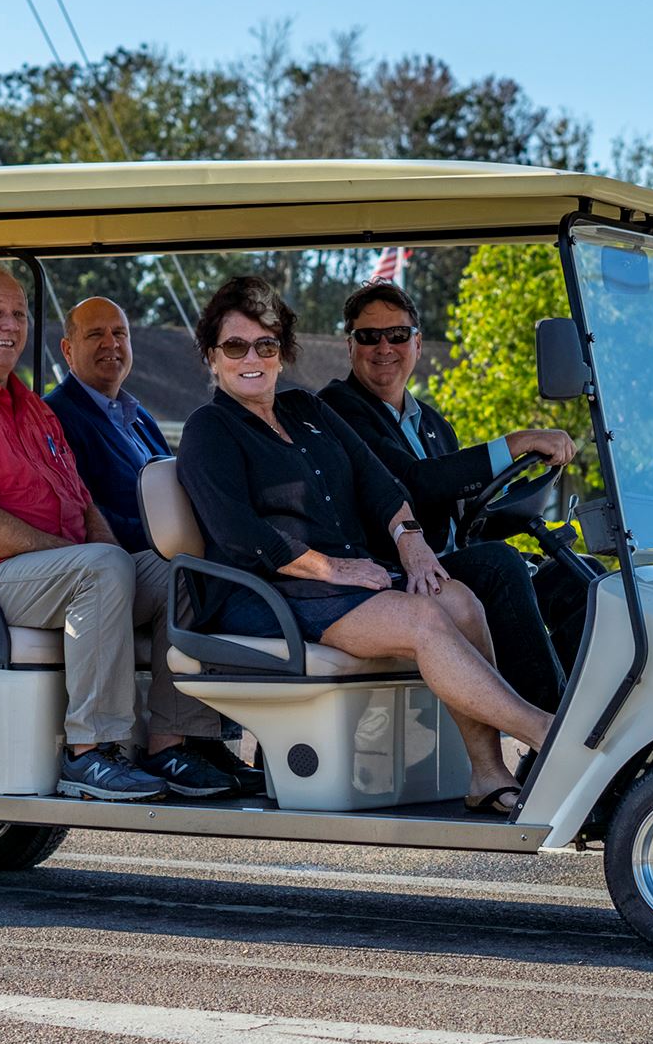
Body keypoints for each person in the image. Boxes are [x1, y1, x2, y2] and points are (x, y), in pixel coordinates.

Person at [175, 275, 554, 816]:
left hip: (343, 579)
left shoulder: (306, 409)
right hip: (271, 591)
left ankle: (488, 773)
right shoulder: (209, 429)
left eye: (266, 344)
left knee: (460, 601)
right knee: (424, 622)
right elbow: (240, 534)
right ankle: (550, 735)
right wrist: (332, 568)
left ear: (282, 353)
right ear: (212, 357)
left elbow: (380, 483)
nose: (252, 358)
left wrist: (412, 544)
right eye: (235, 346)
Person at [0, 267, 245, 803]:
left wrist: (119, 559)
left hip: (40, 573)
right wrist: (89, 559)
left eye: (19, 315)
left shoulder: (28, 407)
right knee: (100, 570)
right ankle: (89, 752)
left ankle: (170, 741)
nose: (10, 326)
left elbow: (81, 500)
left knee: (181, 570)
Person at [317, 281, 588, 695]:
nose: (384, 347)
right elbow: (413, 484)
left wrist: (521, 511)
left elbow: (461, 514)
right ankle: (549, 729)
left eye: (398, 335)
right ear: (349, 346)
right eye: (369, 337)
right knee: (499, 566)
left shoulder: (433, 425)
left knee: (579, 576)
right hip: (391, 573)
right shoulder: (338, 409)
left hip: (445, 564)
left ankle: (593, 708)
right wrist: (513, 444)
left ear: (418, 343)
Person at [43, 296, 171, 552]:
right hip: (127, 557)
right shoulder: (54, 417)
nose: (111, 343)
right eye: (95, 334)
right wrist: (167, 538)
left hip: (174, 548)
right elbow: (83, 515)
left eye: (119, 333)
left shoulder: (141, 417)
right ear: (68, 350)